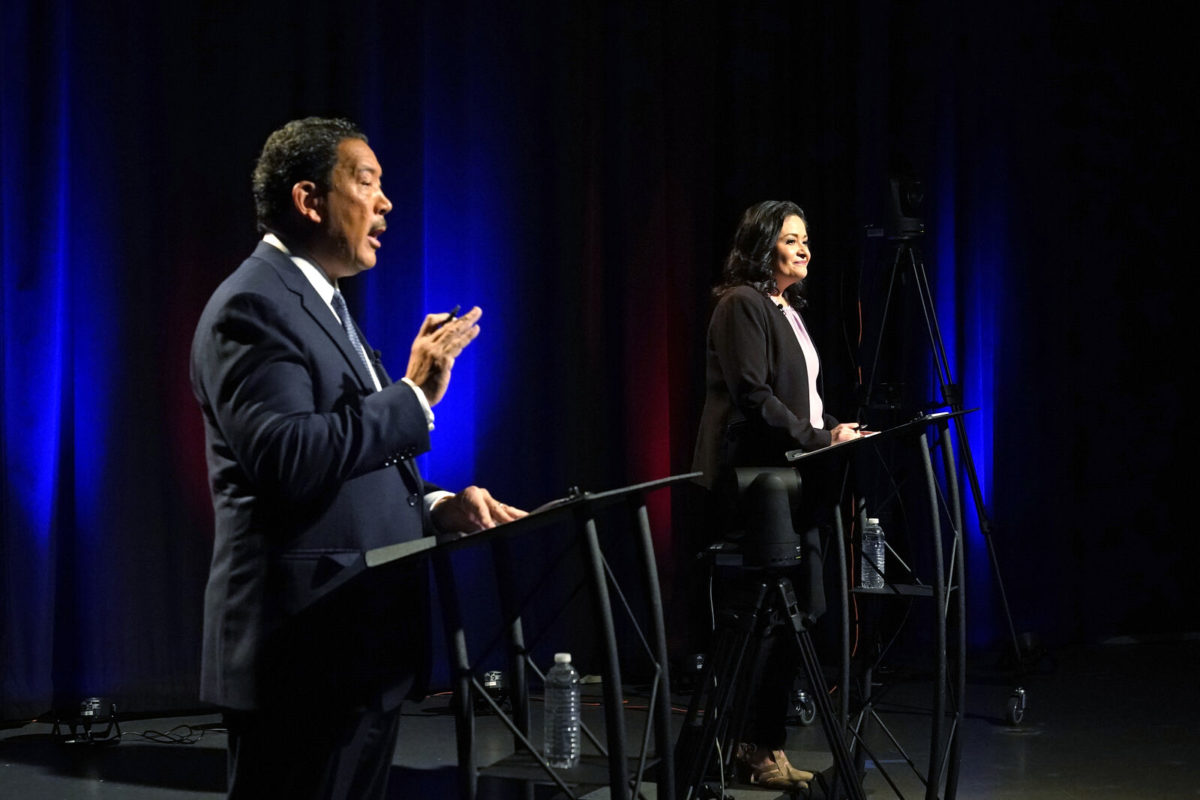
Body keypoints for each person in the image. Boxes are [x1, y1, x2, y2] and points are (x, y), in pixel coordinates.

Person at [190, 117, 525, 800]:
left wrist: (435, 505)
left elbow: (353, 460)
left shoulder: (328, 305)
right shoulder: (255, 304)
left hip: (359, 652)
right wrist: (411, 394)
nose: (386, 203)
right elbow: (286, 454)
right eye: (366, 182)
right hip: (303, 656)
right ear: (310, 200)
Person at [692, 200, 864, 791]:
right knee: (769, 618)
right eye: (793, 239)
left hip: (795, 479)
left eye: (807, 239)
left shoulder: (788, 311)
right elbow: (754, 398)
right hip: (758, 483)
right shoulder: (741, 304)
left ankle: (763, 744)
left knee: (806, 611)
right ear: (764, 245)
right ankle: (743, 746)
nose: (805, 248)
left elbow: (803, 403)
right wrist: (818, 440)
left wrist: (835, 430)